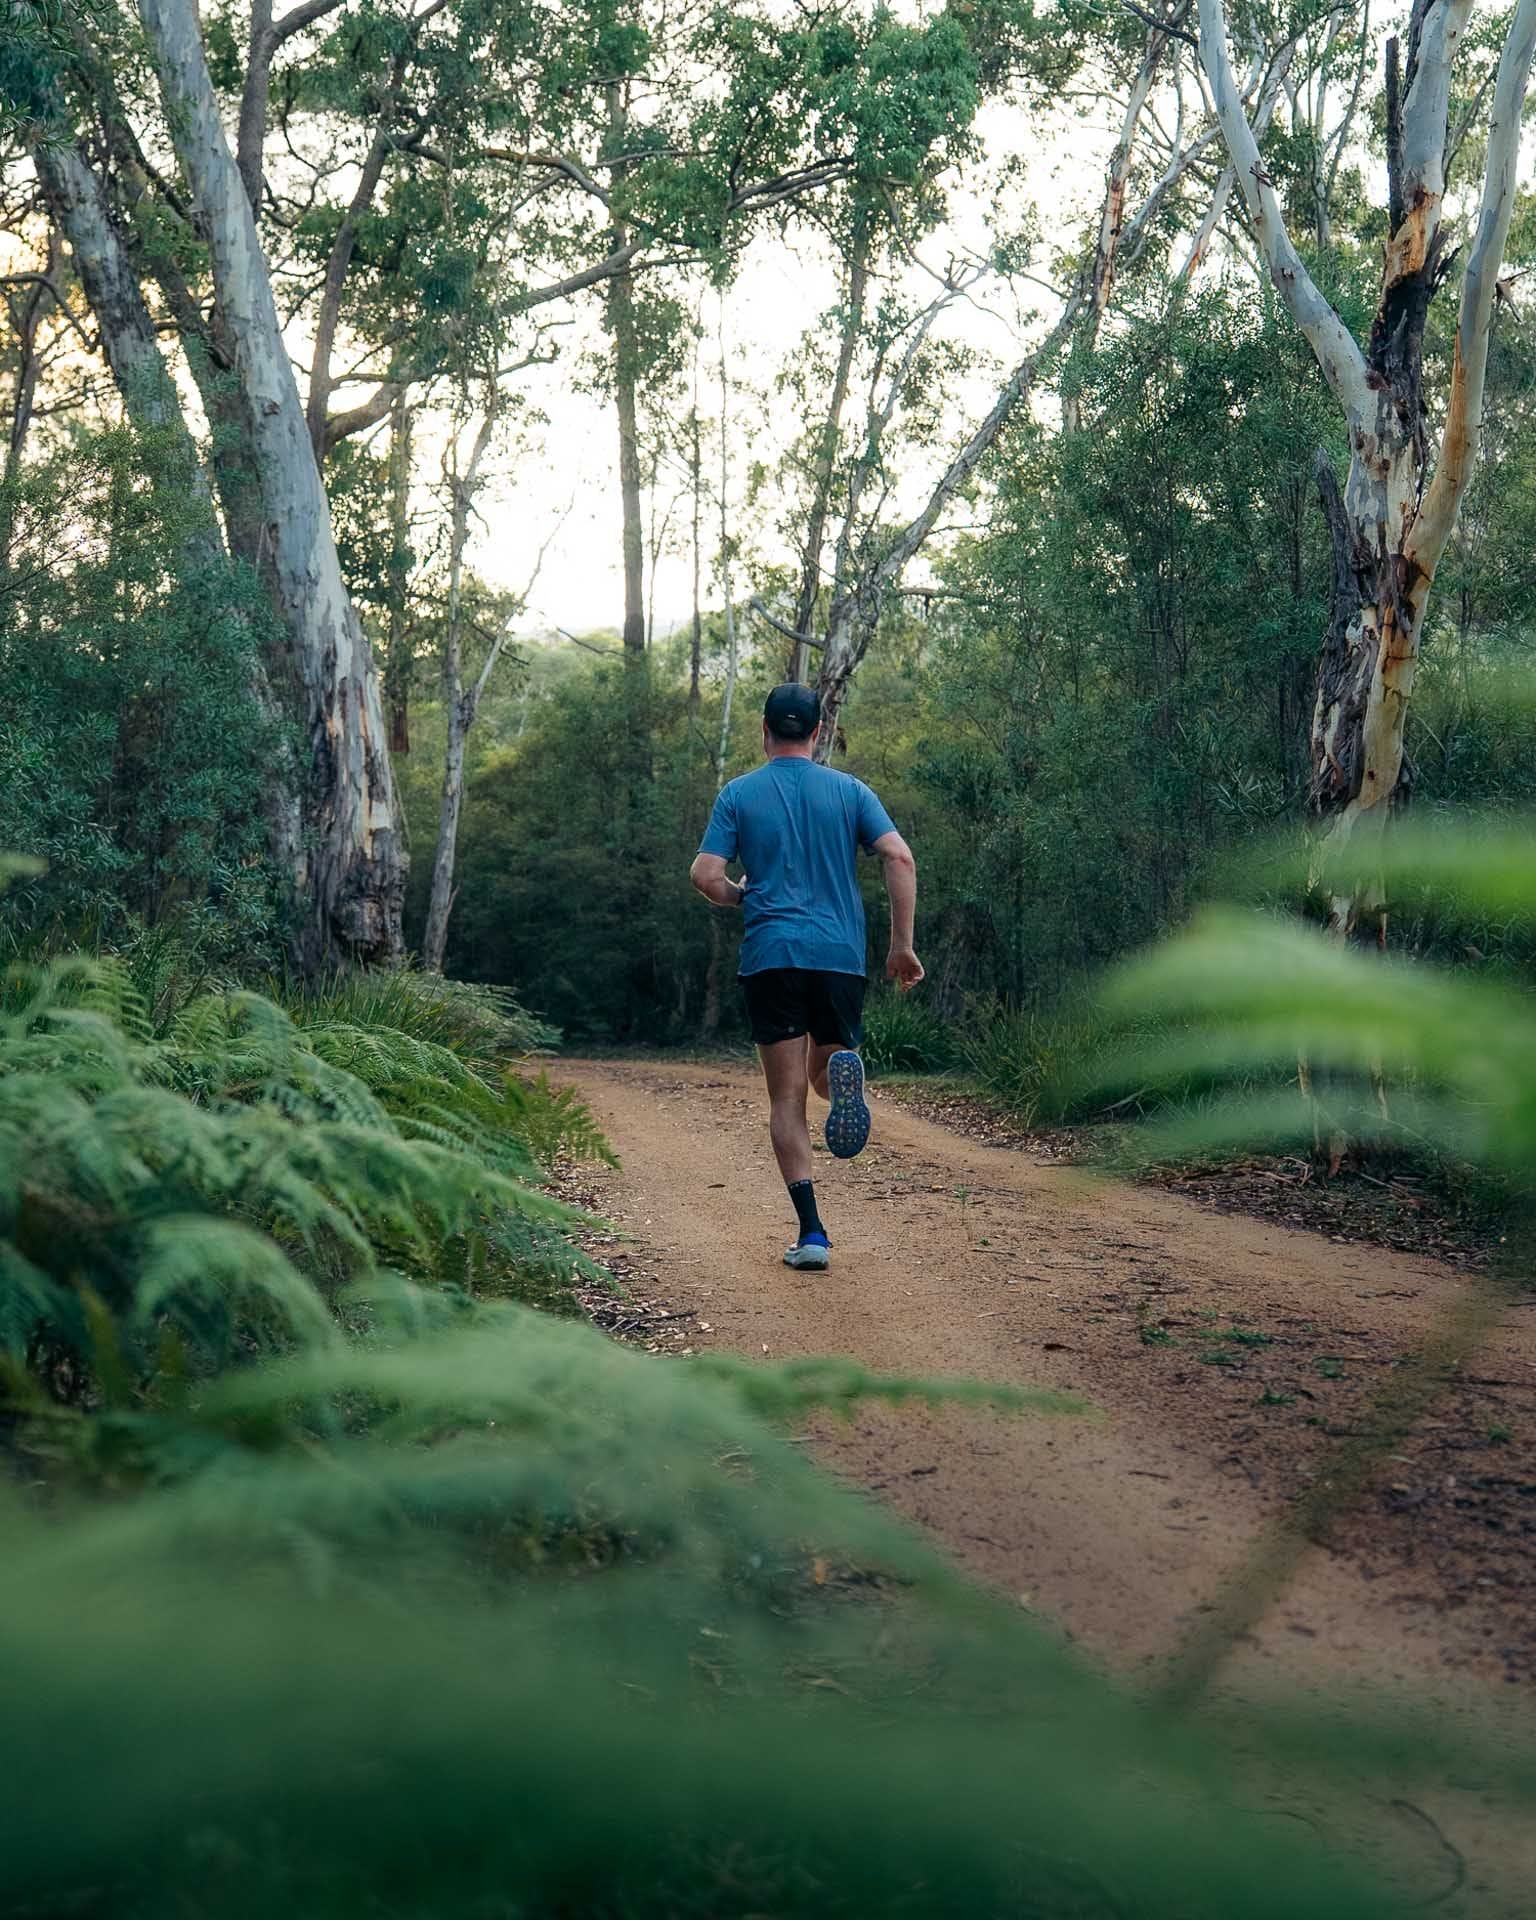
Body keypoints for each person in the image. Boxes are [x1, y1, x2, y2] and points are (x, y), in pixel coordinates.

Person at [690, 682, 923, 1272]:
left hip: (773, 955)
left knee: (786, 1098)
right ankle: (842, 1079)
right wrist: (901, 947)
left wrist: (738, 895)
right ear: (818, 733)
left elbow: (705, 873)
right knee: (825, 1068)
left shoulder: (740, 794)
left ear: (764, 731)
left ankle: (812, 1233)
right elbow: (899, 856)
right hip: (840, 956)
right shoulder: (849, 791)